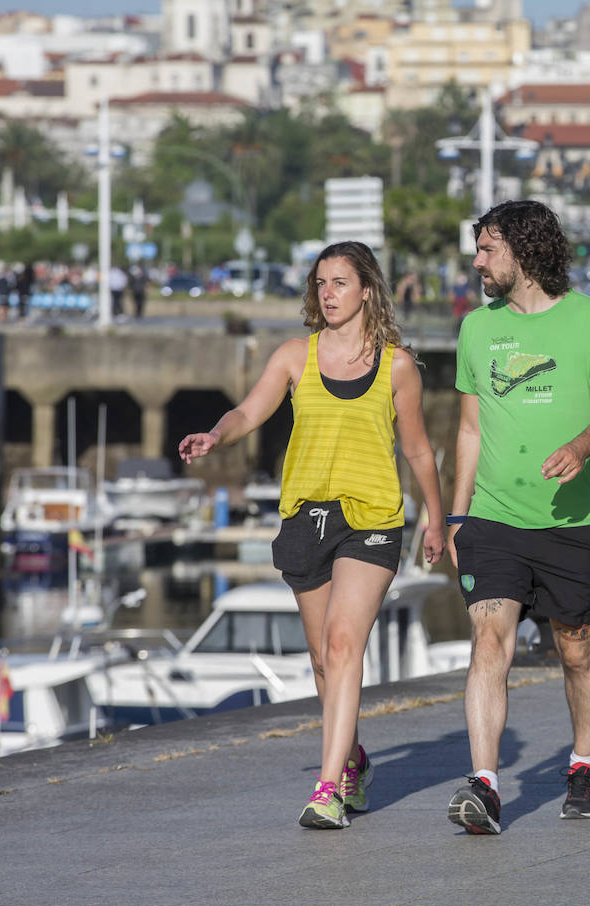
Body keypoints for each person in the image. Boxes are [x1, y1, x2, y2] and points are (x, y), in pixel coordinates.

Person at [178, 240, 445, 830]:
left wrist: (436, 515)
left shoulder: (396, 365)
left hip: (371, 519)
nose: (327, 293)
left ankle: (329, 789)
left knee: (346, 643)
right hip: (307, 518)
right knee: (324, 659)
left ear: (367, 290)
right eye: (320, 283)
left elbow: (418, 447)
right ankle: (351, 757)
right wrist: (215, 436)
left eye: (340, 283)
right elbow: (248, 413)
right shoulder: (296, 356)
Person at [445, 199, 590, 835]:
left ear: (523, 253)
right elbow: (468, 429)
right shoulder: (478, 328)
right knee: (489, 642)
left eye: (487, 250)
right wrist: (456, 512)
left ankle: (583, 762)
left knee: (576, 648)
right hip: (495, 520)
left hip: (569, 521)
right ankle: (485, 784)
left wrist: (581, 448)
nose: (477, 262)